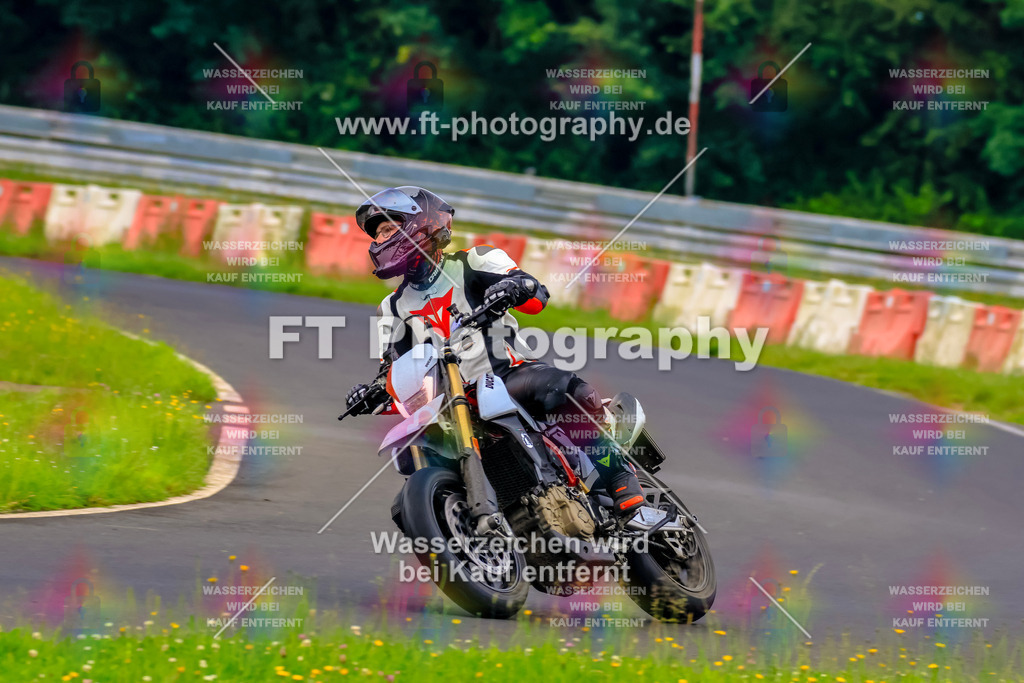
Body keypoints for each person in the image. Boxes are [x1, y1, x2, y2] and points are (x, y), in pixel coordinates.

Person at [345, 186, 644, 515]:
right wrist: (373, 392)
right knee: (409, 457)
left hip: (506, 376)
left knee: (560, 388)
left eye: (388, 228)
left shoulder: (473, 261)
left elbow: (534, 295)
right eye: (378, 234)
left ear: (422, 224)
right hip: (448, 404)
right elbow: (393, 371)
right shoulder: (390, 308)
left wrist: (513, 287)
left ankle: (619, 474)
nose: (381, 239)